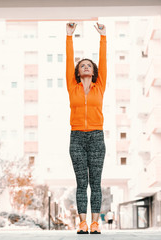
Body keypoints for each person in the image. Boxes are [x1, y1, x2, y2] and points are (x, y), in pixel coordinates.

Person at [66, 22, 107, 234]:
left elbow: (104, 61)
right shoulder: (72, 87)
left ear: (94, 71)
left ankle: (95, 223)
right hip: (77, 138)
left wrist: (103, 37)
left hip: (97, 137)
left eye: (89, 65)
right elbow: (68, 61)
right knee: (82, 183)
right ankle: (82, 223)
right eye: (82, 65)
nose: (85, 66)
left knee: (96, 184)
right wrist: (69, 36)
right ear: (77, 71)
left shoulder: (100, 87)